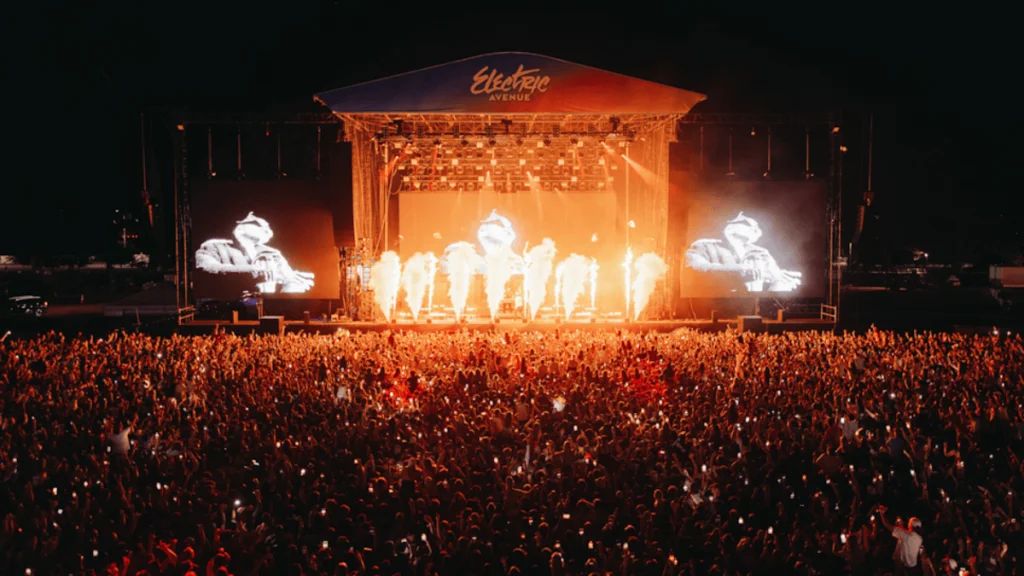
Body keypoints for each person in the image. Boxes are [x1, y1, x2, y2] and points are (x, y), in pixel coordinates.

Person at [877, 505, 924, 575]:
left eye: (909, 523)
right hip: (914, 568)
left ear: (911, 525)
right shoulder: (920, 539)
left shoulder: (905, 535)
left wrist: (881, 513)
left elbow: (886, 525)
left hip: (902, 567)